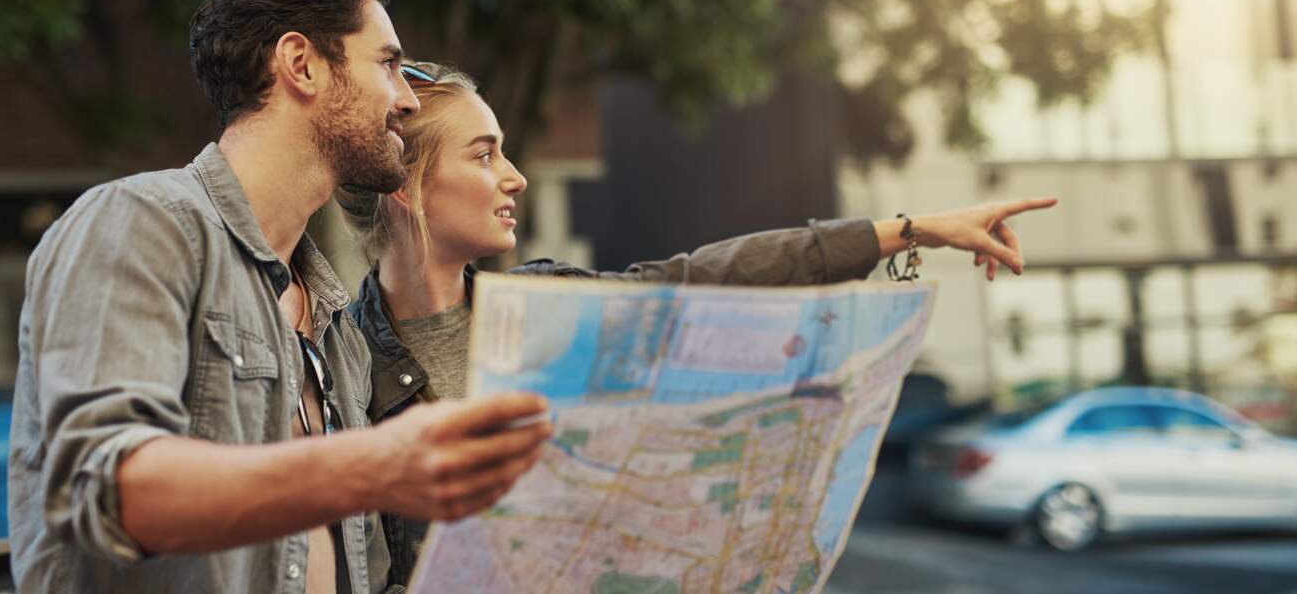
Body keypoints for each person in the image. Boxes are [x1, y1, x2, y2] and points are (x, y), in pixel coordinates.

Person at [336, 61, 1057, 569]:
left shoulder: (549, 314)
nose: (514, 176)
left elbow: (709, 276)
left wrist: (913, 229)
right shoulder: (338, 368)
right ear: (409, 186)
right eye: (485, 154)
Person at [7, 0, 553, 594]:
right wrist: (375, 464)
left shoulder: (336, 329)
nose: (407, 99)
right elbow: (108, 490)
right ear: (302, 64)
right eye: (388, 64)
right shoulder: (140, 223)